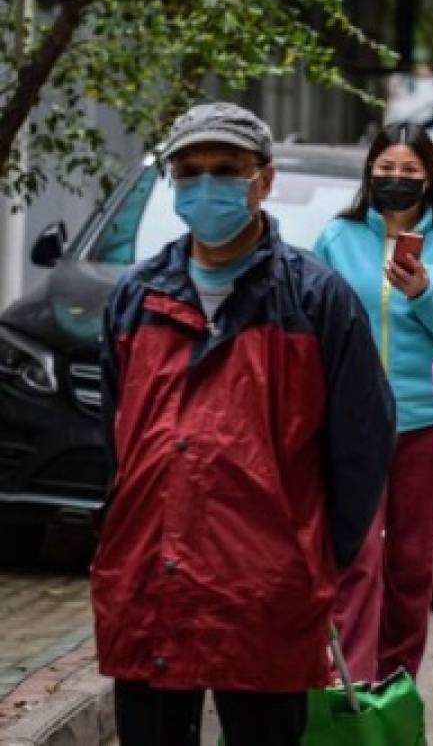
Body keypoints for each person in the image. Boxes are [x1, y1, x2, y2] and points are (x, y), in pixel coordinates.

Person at [91, 103, 396, 746]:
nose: (206, 185)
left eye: (226, 170)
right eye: (190, 171)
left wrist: (313, 561)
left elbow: (362, 448)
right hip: (150, 585)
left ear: (264, 179)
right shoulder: (136, 296)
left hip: (265, 593)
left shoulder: (315, 300)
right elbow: (117, 438)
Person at [315, 121, 433, 681]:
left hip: (426, 424)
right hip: (353, 424)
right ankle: (351, 684)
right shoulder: (336, 239)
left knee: (410, 564)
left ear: (430, 177)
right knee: (356, 559)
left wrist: (423, 292)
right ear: (369, 172)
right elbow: (312, 324)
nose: (396, 179)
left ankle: (397, 681)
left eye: (409, 171)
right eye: (386, 168)